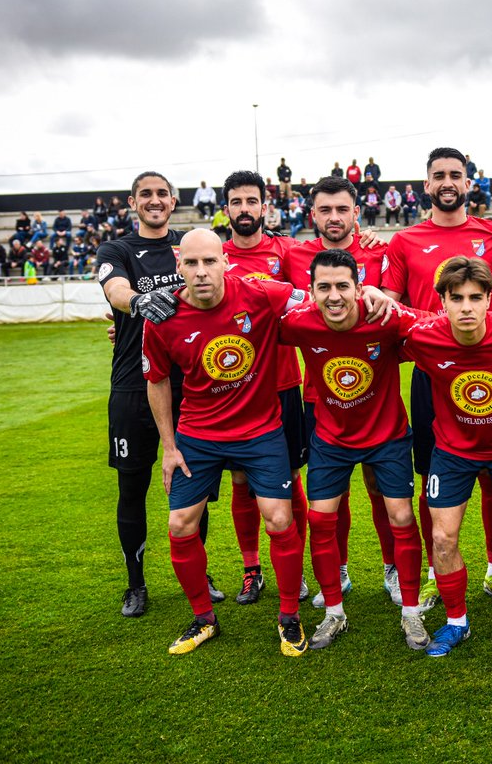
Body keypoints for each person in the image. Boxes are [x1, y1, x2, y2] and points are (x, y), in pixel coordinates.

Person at [142, 228, 309, 656]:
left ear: (224, 261)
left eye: (209, 262)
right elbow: (157, 381)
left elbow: (319, 302)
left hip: (260, 430)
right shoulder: (161, 318)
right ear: (178, 267)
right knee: (180, 524)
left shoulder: (261, 295)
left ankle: (289, 616)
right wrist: (169, 446)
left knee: (278, 517)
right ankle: (203, 619)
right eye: (191, 264)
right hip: (198, 434)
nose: (201, 272)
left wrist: (374, 298)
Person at [279, 248, 430, 651]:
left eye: (343, 286)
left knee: (400, 515)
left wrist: (391, 303)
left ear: (359, 289)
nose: (334, 296)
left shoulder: (383, 317)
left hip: (388, 437)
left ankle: (412, 613)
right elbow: (249, 322)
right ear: (310, 292)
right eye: (323, 287)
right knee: (320, 518)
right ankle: (334, 611)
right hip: (331, 438)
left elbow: (435, 323)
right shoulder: (299, 323)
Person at [381, 147, 492, 613]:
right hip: (431, 374)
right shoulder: (404, 240)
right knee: (431, 474)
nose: (448, 181)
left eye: (456, 174)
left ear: (469, 182)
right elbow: (389, 306)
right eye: (440, 175)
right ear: (427, 183)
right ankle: (437, 573)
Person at [401, 256, 492, 658]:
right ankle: (456, 622)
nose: (466, 307)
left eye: (475, 298)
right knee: (442, 538)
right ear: (443, 302)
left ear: (490, 300)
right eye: (456, 298)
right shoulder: (423, 337)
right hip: (451, 451)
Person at [96, 171, 224, 619]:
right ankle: (136, 583)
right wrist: (138, 303)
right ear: (133, 202)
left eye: (162, 194)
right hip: (133, 386)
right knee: (132, 487)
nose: (154, 200)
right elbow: (116, 289)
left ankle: (200, 573)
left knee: (194, 487)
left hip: (190, 387)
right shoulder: (117, 250)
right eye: (145, 194)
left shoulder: (188, 248)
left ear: (173, 201)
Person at [283, 177, 395, 605]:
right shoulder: (295, 255)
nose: (334, 217)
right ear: (313, 214)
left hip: (375, 390)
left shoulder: (379, 252)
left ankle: (390, 567)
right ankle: (341, 568)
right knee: (333, 489)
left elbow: (392, 306)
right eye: (325, 210)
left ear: (356, 212)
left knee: (381, 486)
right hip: (319, 392)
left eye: (342, 210)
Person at [215, 169, 314, 606]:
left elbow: (312, 296)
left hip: (281, 384)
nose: (244, 209)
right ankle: (251, 568)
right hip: (234, 390)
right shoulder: (214, 257)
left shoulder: (286, 250)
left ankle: (297, 568)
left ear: (264, 205)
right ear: (227, 209)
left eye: (251, 201)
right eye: (236, 202)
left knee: (290, 480)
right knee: (241, 480)